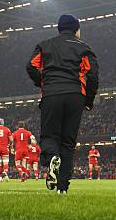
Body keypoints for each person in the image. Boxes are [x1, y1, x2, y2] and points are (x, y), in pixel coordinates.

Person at [26, 14, 99, 194]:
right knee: (68, 142)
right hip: (75, 96)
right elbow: (92, 76)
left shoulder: (45, 45)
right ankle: (62, 188)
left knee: (50, 136)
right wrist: (88, 101)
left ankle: (52, 156)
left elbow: (31, 66)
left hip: (52, 94)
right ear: (76, 29)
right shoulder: (85, 48)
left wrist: (43, 83)